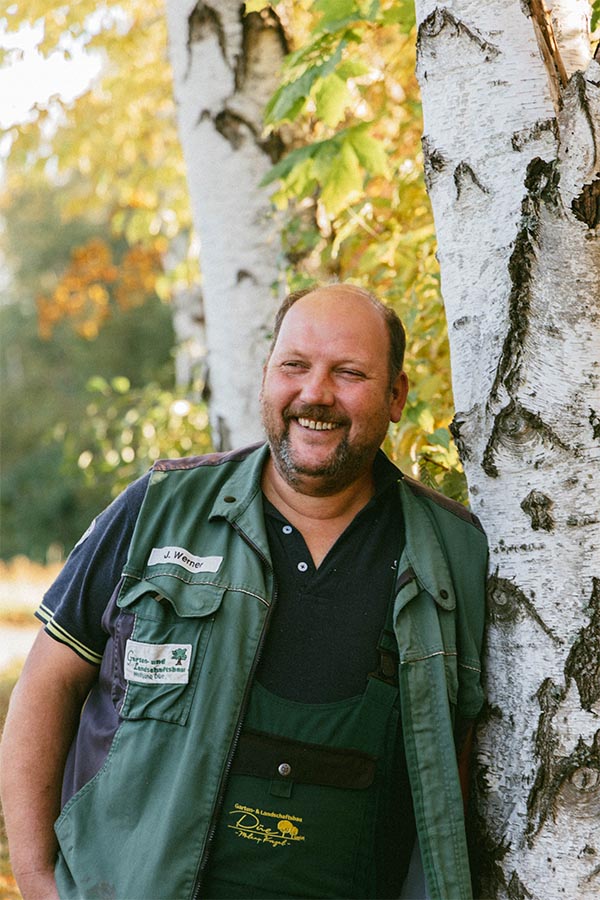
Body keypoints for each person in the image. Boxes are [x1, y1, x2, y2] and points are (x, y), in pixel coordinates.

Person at [0, 283, 487, 900]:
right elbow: (45, 687)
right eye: (294, 366)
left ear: (396, 397)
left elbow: (464, 759)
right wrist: (39, 880)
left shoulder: (455, 552)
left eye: (349, 372)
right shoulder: (159, 510)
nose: (316, 393)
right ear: (266, 378)